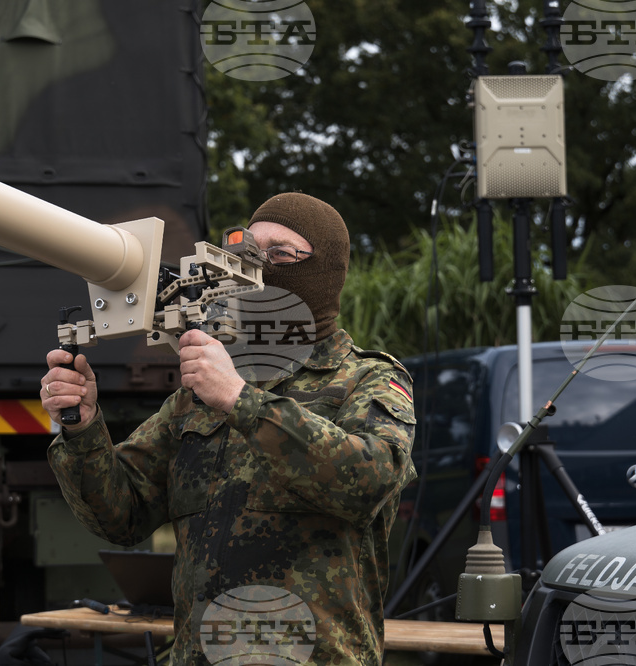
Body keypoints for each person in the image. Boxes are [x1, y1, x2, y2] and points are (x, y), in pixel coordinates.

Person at [40, 193, 416, 664]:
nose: (258, 270)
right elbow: (121, 515)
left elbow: (369, 480)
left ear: (324, 276)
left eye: (278, 255)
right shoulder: (198, 395)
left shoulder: (366, 378)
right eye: (248, 254)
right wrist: (85, 427)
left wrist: (242, 401)